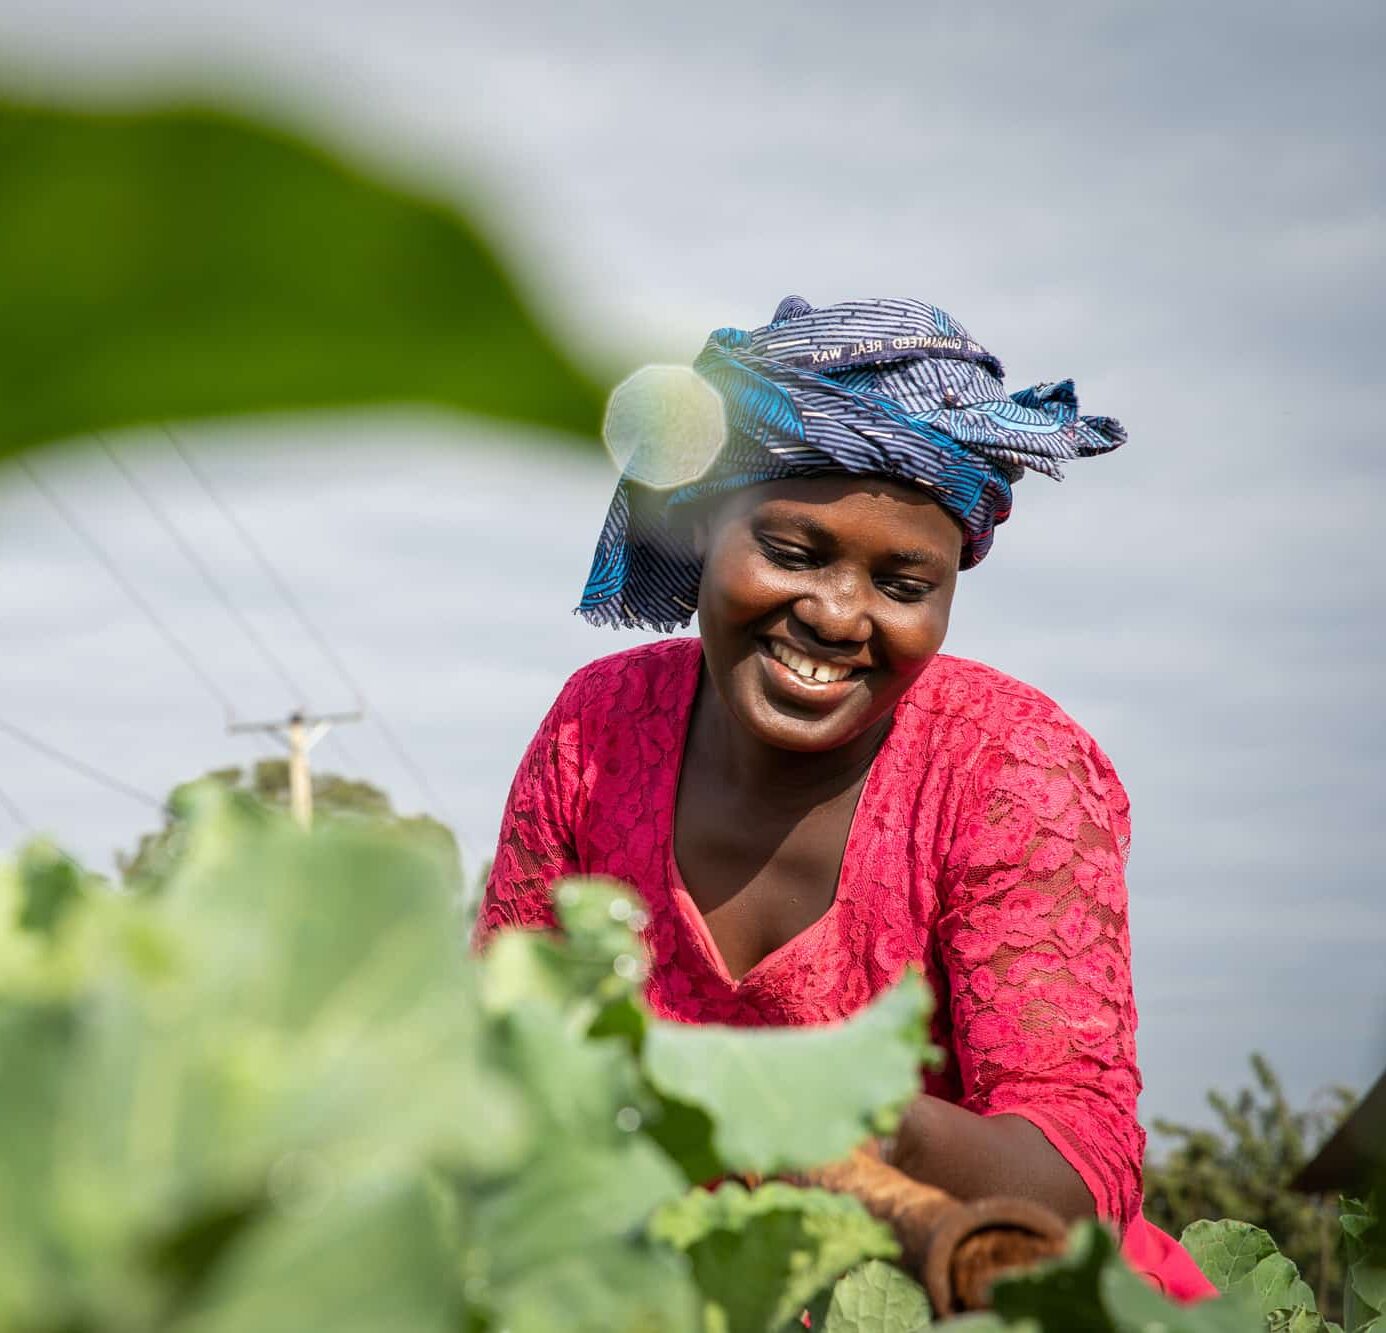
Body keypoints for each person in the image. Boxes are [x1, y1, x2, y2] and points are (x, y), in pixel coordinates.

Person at [473, 295, 1216, 1301]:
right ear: (702, 529)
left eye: (903, 583)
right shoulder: (596, 729)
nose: (834, 615)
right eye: (793, 552)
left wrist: (830, 1101)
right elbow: (502, 1049)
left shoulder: (1011, 770)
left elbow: (1076, 1178)